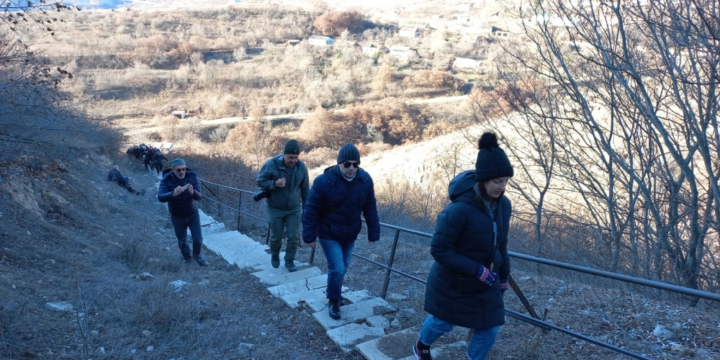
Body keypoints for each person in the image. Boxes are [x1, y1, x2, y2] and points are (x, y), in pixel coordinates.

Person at [413, 132, 513, 360]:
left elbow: (502, 243)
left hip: (487, 279)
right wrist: (476, 270)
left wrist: (504, 275)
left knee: (489, 328)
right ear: (484, 179)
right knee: (443, 322)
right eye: (498, 181)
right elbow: (439, 249)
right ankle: (421, 346)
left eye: (506, 180)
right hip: (453, 281)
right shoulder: (458, 210)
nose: (503, 187)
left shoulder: (503, 205)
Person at [302, 143, 380, 320]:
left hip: (350, 233)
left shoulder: (365, 180)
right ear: (339, 163)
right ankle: (334, 301)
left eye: (355, 164)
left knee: (343, 267)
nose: (351, 168)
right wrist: (309, 235)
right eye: (347, 164)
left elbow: (370, 208)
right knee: (337, 268)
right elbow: (311, 209)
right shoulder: (324, 182)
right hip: (329, 232)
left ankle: (333, 291)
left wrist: (373, 232)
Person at [256, 139, 310, 272]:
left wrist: (307, 209)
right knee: (276, 236)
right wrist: (274, 184)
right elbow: (260, 180)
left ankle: (289, 261)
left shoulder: (301, 167)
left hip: (294, 208)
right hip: (275, 208)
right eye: (290, 157)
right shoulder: (271, 164)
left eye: (296, 158)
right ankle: (275, 255)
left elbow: (305, 189)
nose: (293, 160)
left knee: (293, 236)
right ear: (284, 154)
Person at [158, 158, 207, 266]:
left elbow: (199, 196)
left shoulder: (192, 176)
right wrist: (172, 194)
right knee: (182, 241)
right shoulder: (166, 180)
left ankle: (197, 255)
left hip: (192, 213)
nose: (182, 172)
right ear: (172, 170)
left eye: (184, 169)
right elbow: (160, 197)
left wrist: (193, 192)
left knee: (198, 239)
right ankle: (187, 258)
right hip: (177, 215)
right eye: (178, 170)